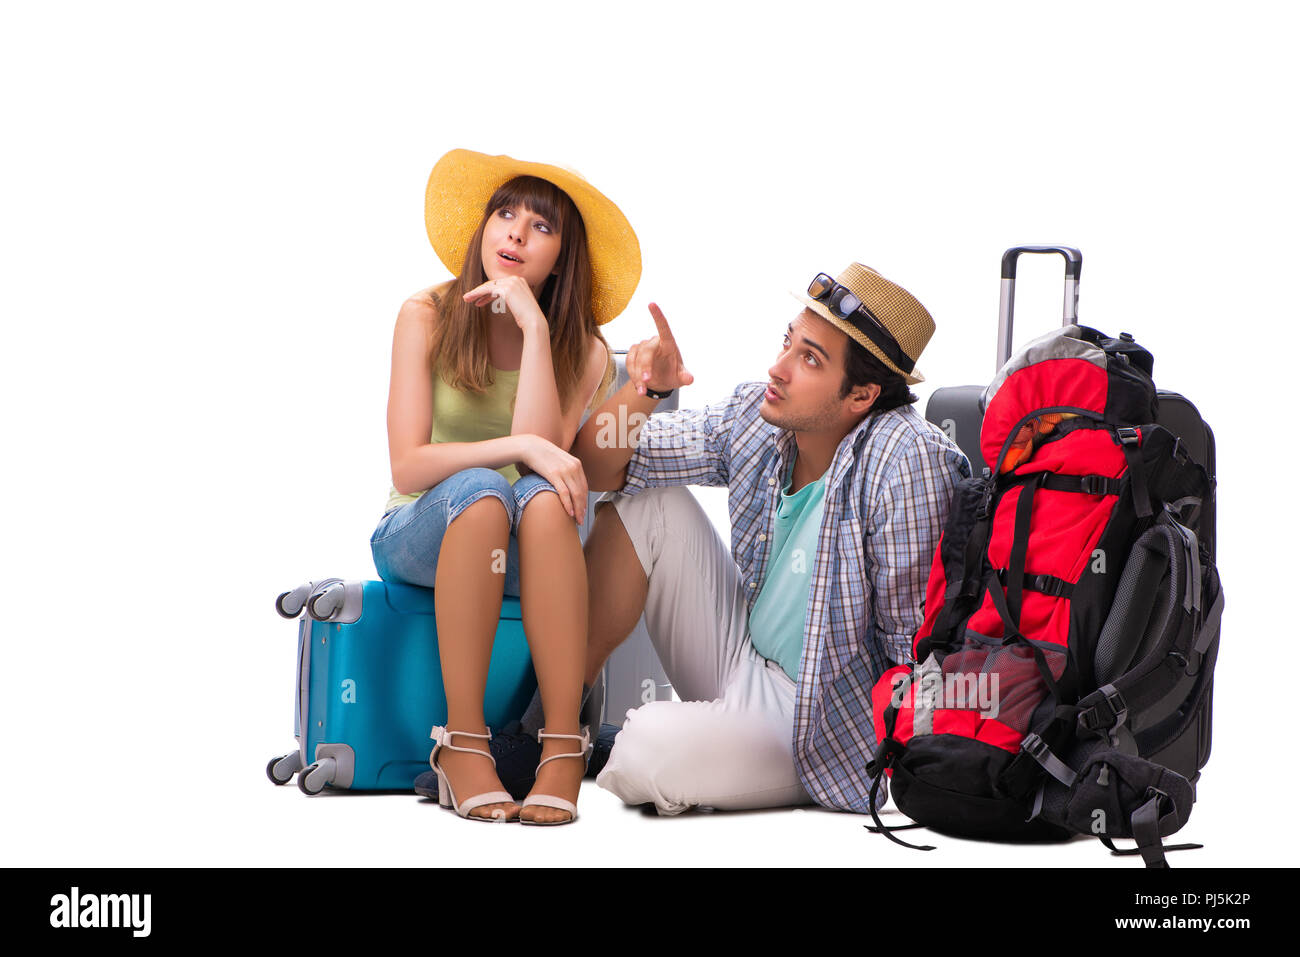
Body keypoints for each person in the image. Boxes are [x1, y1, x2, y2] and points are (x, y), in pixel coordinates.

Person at [571, 263, 970, 814]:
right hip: (743, 656)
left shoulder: (906, 461)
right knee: (645, 502)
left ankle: (689, 745)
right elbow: (594, 467)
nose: (777, 369)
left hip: (825, 718)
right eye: (790, 341)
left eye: (810, 359)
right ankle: (560, 727)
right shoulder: (761, 417)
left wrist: (916, 774)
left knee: (645, 750)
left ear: (861, 395)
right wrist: (649, 389)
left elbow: (914, 646)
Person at [371, 149, 640, 824]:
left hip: (523, 547)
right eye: (505, 214)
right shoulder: (425, 314)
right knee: (484, 489)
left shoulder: (587, 349)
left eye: (541, 227)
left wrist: (537, 329)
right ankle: (463, 744)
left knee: (543, 500)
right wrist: (515, 448)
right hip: (420, 534)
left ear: (562, 258)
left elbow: (540, 466)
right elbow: (408, 466)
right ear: (484, 230)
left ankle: (559, 747)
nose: (516, 233)